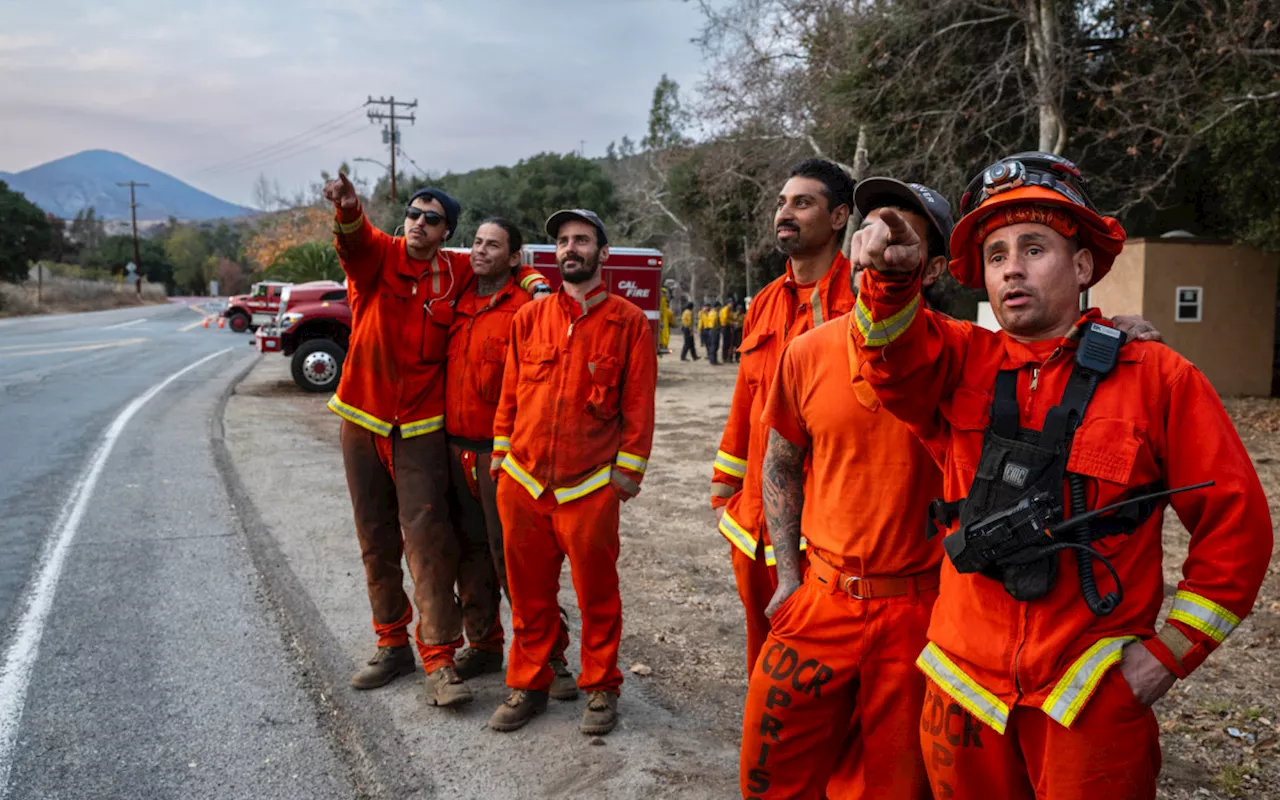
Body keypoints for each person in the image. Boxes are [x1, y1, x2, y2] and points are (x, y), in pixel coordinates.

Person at [849, 152, 1272, 800]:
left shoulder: (1159, 378)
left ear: (1081, 266)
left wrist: (1165, 658)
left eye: (1034, 248)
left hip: (1089, 700)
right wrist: (889, 277)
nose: (1011, 267)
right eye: (994, 255)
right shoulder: (959, 360)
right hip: (962, 692)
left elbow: (1235, 530)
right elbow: (890, 355)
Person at [740, 179, 954, 799]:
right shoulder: (807, 351)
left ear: (933, 267)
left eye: (903, 233)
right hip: (820, 598)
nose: (883, 243)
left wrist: (1110, 332)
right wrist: (786, 578)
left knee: (892, 786)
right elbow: (778, 463)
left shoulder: (961, 354)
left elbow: (1042, 354)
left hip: (918, 612)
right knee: (770, 773)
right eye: (874, 226)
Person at [321, 173, 548, 706]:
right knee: (375, 539)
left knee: (428, 543)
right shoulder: (380, 255)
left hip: (421, 428)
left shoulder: (458, 269)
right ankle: (390, 642)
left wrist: (538, 285)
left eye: (432, 218)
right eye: (414, 214)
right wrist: (348, 209)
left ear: (446, 232)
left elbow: (508, 262)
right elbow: (353, 241)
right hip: (362, 415)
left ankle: (440, 661)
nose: (419, 223)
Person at [487, 209, 657, 735]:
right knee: (529, 595)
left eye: (581, 240)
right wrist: (500, 459)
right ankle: (528, 683)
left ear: (602, 253)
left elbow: (639, 407)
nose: (570, 249)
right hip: (523, 481)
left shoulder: (629, 323)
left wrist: (624, 479)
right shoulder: (528, 319)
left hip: (589, 488)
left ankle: (601, 688)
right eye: (562, 241)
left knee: (597, 595)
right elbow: (509, 396)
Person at [711, 158, 859, 675]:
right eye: (781, 203)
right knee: (763, 659)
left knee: (816, 667)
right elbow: (745, 401)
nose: (785, 213)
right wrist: (724, 488)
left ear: (839, 217)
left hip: (822, 529)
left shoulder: (861, 302)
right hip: (754, 522)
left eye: (802, 203)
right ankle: (767, 748)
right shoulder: (766, 303)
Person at [443, 217, 575, 700]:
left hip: (504, 457)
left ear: (515, 257)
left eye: (493, 245)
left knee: (517, 563)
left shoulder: (529, 307)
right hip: (453, 450)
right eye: (476, 242)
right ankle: (483, 644)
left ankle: (551, 656)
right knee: (468, 554)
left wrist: (536, 282)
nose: (480, 251)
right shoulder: (458, 300)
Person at [720, 297, 735, 364]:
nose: (732, 304)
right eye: (730, 303)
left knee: (729, 343)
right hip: (725, 327)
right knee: (726, 343)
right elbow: (725, 320)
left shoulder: (730, 310)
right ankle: (724, 357)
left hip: (729, 327)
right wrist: (732, 322)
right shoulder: (725, 310)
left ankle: (728, 357)